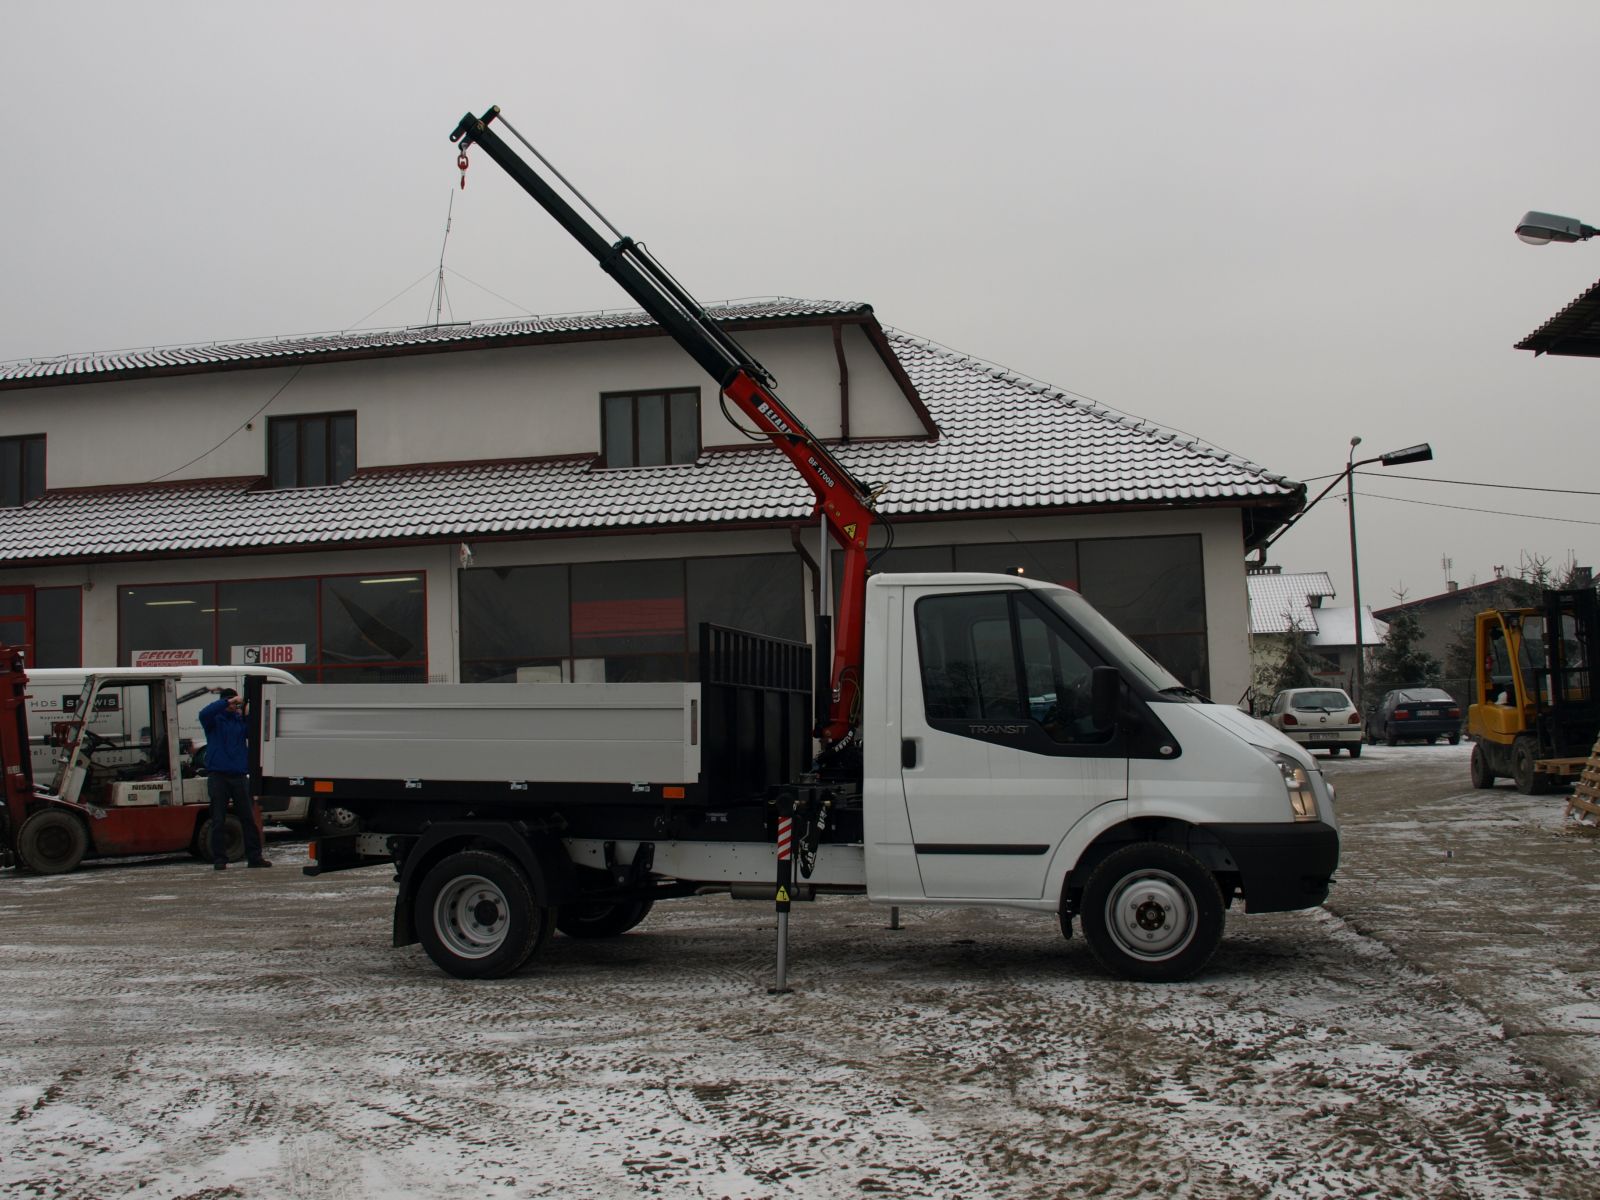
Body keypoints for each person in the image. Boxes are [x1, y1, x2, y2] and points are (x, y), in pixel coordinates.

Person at [198, 687, 270, 871]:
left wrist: (247, 711)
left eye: (234, 702)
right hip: (218, 776)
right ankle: (220, 859)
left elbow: (255, 731)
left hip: (238, 776)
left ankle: (255, 857)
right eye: (230, 702)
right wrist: (228, 701)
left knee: (248, 818)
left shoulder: (240, 722)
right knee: (218, 819)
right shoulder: (213, 721)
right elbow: (204, 712)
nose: (233, 705)